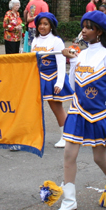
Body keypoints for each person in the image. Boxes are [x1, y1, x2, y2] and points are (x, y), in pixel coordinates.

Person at [49, 11, 106, 210]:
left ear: (99, 32)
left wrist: (105, 99)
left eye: (89, 27)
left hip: (99, 112)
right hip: (77, 109)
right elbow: (74, 85)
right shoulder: (81, 54)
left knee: (98, 157)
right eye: (83, 26)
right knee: (69, 154)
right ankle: (69, 202)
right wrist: (73, 63)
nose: (83, 30)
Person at [30, 12, 72, 147]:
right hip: (38, 77)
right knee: (32, 108)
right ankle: (30, 137)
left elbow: (61, 63)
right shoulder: (35, 40)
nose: (42, 27)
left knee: (56, 107)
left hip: (52, 77)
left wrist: (59, 82)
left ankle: (66, 137)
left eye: (45, 24)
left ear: (51, 26)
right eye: (40, 24)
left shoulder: (56, 41)